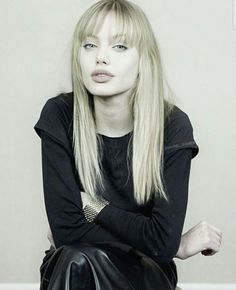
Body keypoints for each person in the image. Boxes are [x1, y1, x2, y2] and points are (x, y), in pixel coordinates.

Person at [34, 0, 222, 289]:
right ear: (78, 56)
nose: (101, 58)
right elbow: (67, 233)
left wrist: (93, 207)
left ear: (143, 60)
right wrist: (175, 246)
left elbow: (161, 242)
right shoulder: (59, 115)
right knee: (77, 257)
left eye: (119, 47)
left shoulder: (172, 125)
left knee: (78, 259)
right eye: (90, 45)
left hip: (142, 271)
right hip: (72, 266)